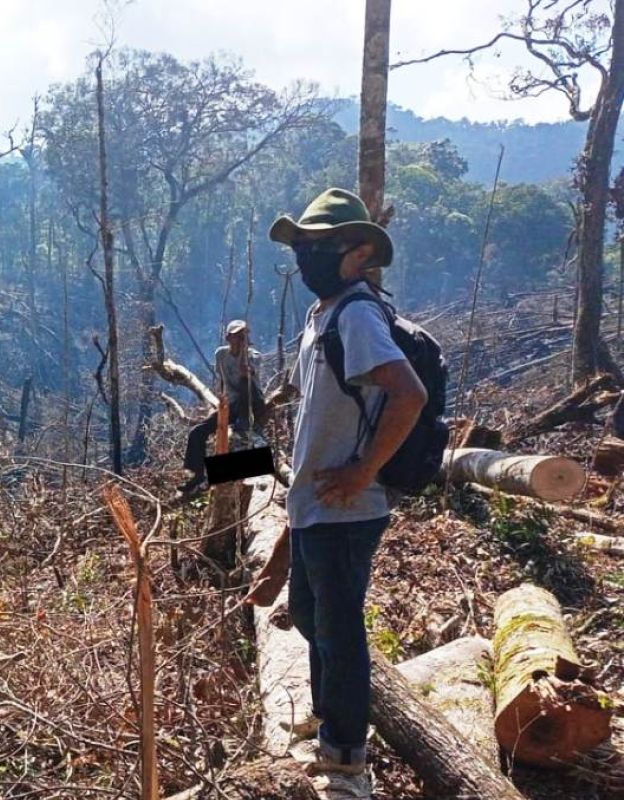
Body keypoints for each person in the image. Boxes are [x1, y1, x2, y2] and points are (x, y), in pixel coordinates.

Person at [245, 188, 427, 798]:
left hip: (348, 507)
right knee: (309, 615)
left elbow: (408, 396)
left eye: (318, 246)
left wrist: (363, 471)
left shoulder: (357, 314)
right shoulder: (322, 317)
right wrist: (281, 548)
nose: (305, 257)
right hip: (317, 505)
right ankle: (333, 720)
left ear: (360, 252)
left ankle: (347, 760)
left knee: (339, 629)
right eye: (301, 247)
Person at [178, 319, 267, 494]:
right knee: (197, 432)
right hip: (231, 404)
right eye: (238, 336)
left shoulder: (253, 356)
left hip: (252, 403)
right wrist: (221, 402)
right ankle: (197, 475)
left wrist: (244, 356)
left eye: (244, 336)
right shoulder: (221, 355)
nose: (241, 340)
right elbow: (222, 381)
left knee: (244, 383)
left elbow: (247, 376)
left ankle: (244, 425)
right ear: (229, 338)